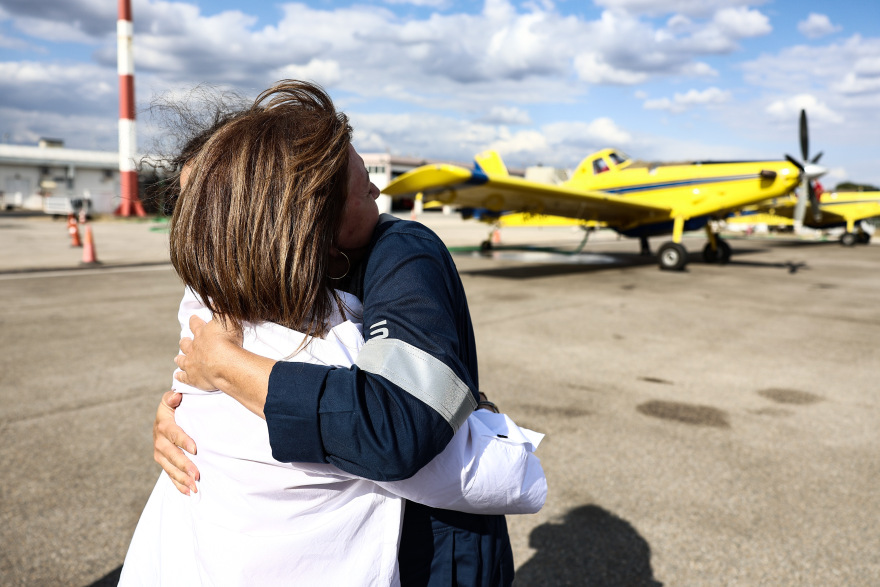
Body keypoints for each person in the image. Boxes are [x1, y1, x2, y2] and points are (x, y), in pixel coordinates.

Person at [142, 80, 545, 585]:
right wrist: (185, 412)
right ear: (309, 218)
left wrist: (226, 369)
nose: (378, 190)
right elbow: (201, 367)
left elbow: (400, 425)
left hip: (434, 553)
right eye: (363, 185)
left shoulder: (401, 251)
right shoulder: (229, 285)